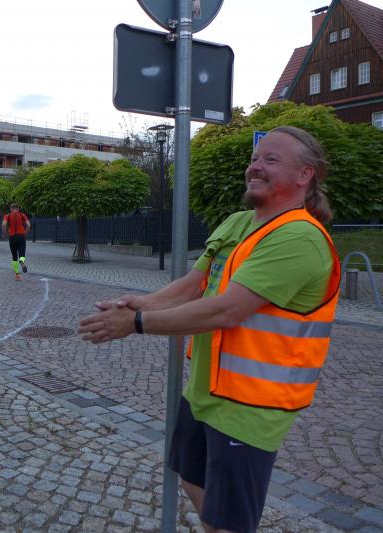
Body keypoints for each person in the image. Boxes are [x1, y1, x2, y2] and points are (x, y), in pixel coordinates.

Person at [78, 126, 340, 533]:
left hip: (250, 406)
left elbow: (227, 310)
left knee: (228, 519)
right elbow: (194, 285)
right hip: (204, 391)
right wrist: (140, 303)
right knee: (192, 480)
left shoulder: (299, 237)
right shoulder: (238, 222)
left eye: (271, 159)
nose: (255, 167)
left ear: (305, 175)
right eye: (255, 159)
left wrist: (137, 323)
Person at [2, 203, 30, 281]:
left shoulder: (7, 216)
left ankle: (17, 275)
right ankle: (21, 261)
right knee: (22, 254)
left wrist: (5, 233)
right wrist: (25, 233)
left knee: (14, 256)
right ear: (18, 209)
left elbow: (3, 224)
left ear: (11, 209)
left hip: (12, 237)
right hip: (21, 236)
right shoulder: (22, 215)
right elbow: (28, 225)